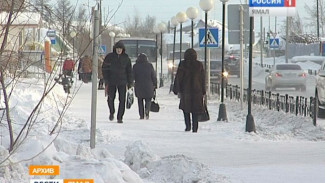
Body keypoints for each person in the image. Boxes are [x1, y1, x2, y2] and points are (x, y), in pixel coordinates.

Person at [173, 48, 206, 133]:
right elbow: (203, 79)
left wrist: (176, 89)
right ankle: (195, 128)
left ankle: (188, 126)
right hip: (197, 91)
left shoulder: (183, 64)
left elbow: (178, 78)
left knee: (186, 109)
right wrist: (203, 90)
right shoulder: (199, 65)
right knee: (196, 111)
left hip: (185, 91)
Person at [102, 41, 133, 123]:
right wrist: (106, 79)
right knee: (110, 98)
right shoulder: (109, 57)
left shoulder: (126, 58)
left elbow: (129, 71)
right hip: (111, 81)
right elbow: (104, 68)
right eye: (117, 49)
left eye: (120, 49)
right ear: (115, 49)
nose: (119, 50)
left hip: (122, 82)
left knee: (122, 100)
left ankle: (120, 117)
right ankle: (112, 112)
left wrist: (130, 83)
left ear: (123, 50)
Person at [133, 53, 157, 120]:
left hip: (139, 86)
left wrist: (131, 83)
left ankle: (141, 115)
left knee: (140, 101)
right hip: (149, 86)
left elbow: (133, 76)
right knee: (148, 100)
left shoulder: (135, 66)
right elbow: (153, 76)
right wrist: (155, 84)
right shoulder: (150, 66)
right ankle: (147, 111)